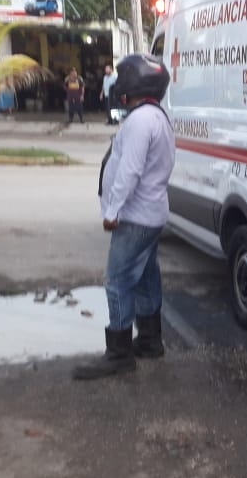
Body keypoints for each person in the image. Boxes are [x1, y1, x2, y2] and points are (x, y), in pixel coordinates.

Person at [72, 55, 175, 380]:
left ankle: (118, 353)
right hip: (151, 213)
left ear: (135, 83)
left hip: (135, 216)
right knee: (145, 277)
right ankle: (149, 341)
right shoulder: (155, 116)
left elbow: (129, 171)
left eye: (123, 78)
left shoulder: (141, 120)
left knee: (117, 281)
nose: (118, 85)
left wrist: (112, 210)